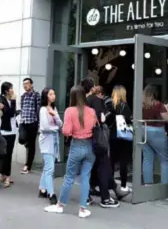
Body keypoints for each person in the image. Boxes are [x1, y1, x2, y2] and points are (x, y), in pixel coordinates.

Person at [44, 85, 97, 218]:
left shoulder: (70, 111)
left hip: (76, 145)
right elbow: (95, 126)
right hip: (90, 147)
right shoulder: (91, 111)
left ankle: (61, 205)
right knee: (86, 177)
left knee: (69, 177)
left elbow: (66, 131)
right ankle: (83, 209)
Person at [82, 78, 125, 207]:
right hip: (97, 138)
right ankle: (106, 198)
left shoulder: (82, 101)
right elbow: (101, 118)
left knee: (90, 167)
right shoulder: (96, 100)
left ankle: (88, 195)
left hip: (85, 138)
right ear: (92, 87)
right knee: (104, 167)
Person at [142, 84, 168, 184]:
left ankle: (148, 185)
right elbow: (167, 118)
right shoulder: (158, 104)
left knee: (147, 158)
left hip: (143, 130)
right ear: (155, 93)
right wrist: (167, 108)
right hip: (157, 131)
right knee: (164, 160)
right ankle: (164, 185)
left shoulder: (141, 104)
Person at [38, 87, 62, 205]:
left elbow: (60, 123)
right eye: (51, 94)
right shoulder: (43, 110)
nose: (53, 96)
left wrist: (55, 115)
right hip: (46, 142)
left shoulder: (53, 108)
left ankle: (42, 189)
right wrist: (56, 128)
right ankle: (51, 193)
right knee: (50, 169)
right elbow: (44, 127)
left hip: (54, 141)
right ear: (46, 96)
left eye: (54, 93)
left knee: (47, 167)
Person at [108, 85, 133, 192]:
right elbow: (129, 120)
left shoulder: (109, 105)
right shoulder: (125, 106)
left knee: (112, 161)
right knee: (124, 161)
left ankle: (110, 183)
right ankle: (123, 185)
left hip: (112, 136)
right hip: (123, 136)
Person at [20, 77, 41, 174]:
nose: (25, 85)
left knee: (32, 145)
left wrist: (39, 124)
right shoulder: (23, 96)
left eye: (27, 83)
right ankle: (26, 141)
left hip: (33, 122)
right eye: (24, 84)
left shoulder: (36, 95)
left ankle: (28, 165)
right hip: (24, 122)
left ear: (31, 84)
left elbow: (38, 110)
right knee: (21, 139)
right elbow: (22, 108)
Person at [0, 82, 17, 187]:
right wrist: (13, 101)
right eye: (11, 88)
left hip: (12, 130)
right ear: (6, 90)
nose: (12, 90)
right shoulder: (2, 100)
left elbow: (12, 112)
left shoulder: (9, 99)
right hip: (5, 130)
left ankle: (5, 175)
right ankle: (5, 175)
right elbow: (9, 113)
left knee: (8, 154)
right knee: (5, 154)